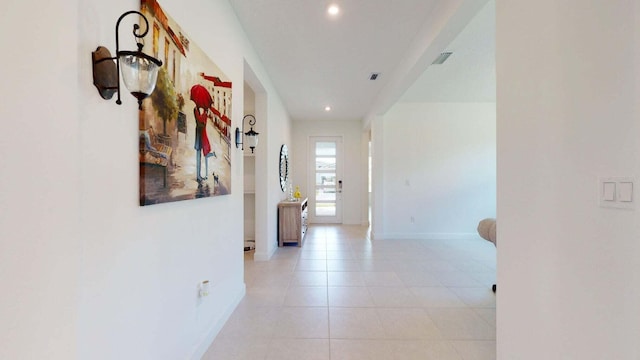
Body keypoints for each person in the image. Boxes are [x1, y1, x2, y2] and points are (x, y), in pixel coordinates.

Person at [193, 106, 216, 181]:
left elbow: (202, 122)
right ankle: (198, 176)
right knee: (198, 157)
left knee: (200, 156)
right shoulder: (196, 110)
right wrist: (204, 115)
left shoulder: (200, 111)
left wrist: (204, 115)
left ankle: (199, 175)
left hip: (201, 136)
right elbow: (199, 121)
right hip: (199, 136)